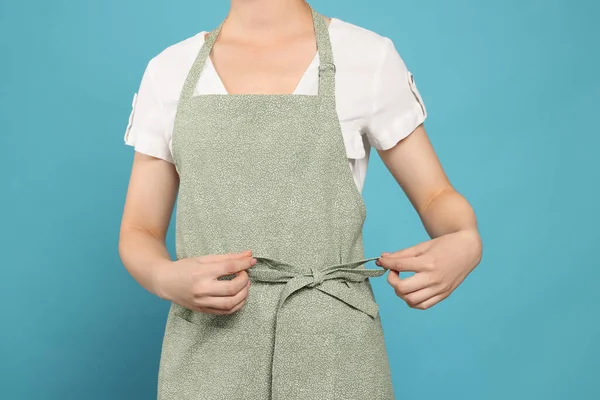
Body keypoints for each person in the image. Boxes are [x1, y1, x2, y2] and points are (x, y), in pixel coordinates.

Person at [119, 0, 483, 398]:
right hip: (208, 350)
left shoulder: (367, 57)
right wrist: (163, 277)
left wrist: (464, 238)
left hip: (333, 349)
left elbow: (436, 196)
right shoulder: (168, 71)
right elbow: (140, 229)